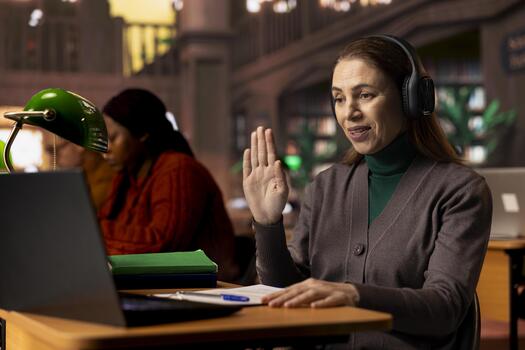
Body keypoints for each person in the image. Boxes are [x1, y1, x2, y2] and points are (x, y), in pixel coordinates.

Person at [242, 35, 492, 349]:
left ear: (410, 98)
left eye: (365, 95)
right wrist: (267, 224)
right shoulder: (324, 187)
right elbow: (287, 295)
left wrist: (354, 295)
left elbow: (444, 309)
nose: (349, 113)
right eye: (339, 98)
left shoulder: (460, 191)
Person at [98, 88, 239, 282]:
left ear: (142, 134)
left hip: (205, 291)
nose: (105, 149)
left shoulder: (178, 170)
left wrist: (92, 232)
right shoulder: (127, 175)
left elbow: (162, 246)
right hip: (158, 286)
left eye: (113, 138)